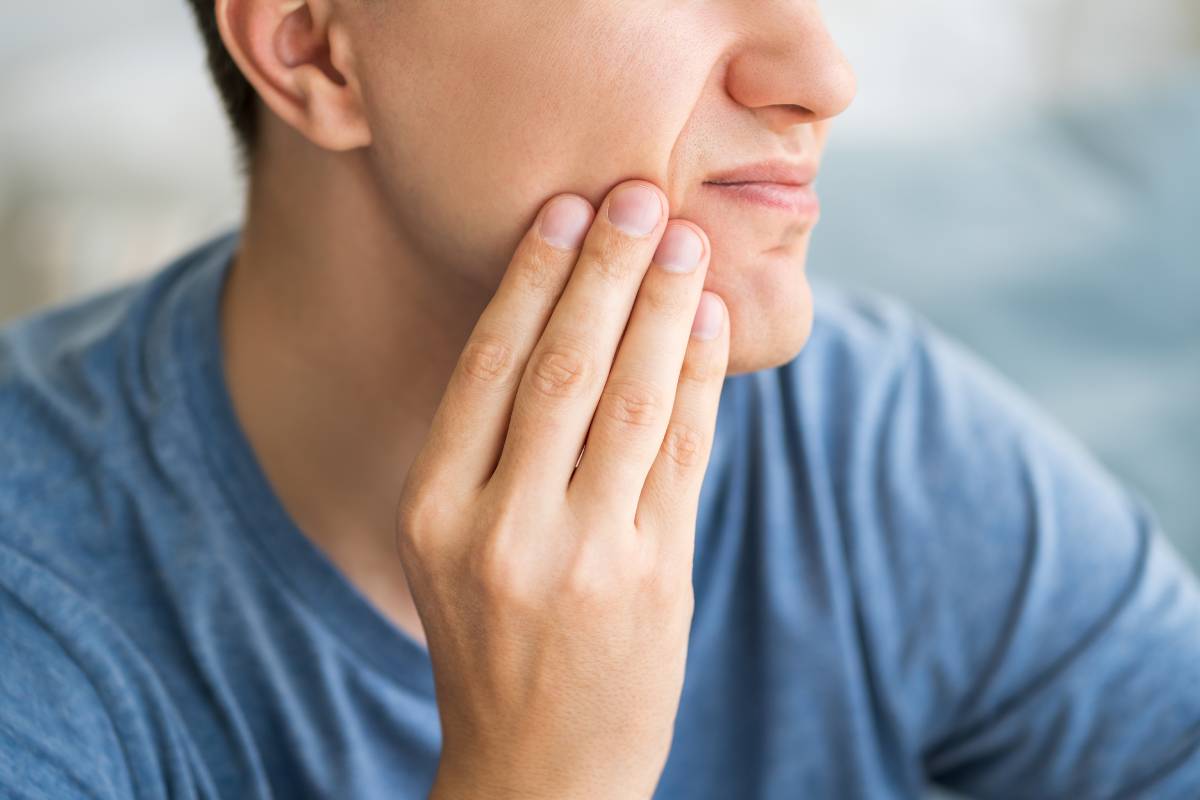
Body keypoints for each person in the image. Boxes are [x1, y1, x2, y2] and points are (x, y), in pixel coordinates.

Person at [2, 0, 1198, 797]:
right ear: (316, 50)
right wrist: (539, 772)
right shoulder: (38, 622)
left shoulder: (862, 438)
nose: (822, 76)